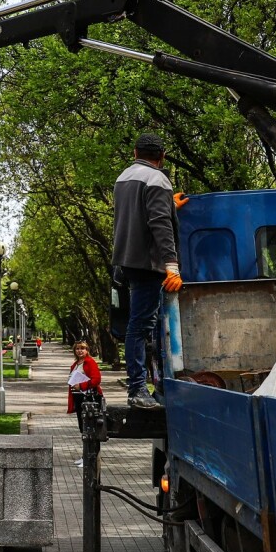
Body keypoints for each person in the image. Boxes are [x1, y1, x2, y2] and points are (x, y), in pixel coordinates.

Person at [111, 131, 184, 410]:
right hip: (147, 263)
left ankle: (148, 384)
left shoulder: (124, 178)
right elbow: (159, 225)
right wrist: (172, 267)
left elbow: (137, 215)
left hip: (127, 260)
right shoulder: (157, 179)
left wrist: (170, 204)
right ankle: (138, 389)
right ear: (162, 156)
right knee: (141, 326)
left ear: (135, 153)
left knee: (143, 325)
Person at [67, 340, 104, 445]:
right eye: (77, 349)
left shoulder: (90, 362)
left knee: (90, 427)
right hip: (78, 398)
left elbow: (96, 380)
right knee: (83, 427)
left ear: (87, 350)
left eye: (82, 348)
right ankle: (85, 456)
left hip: (89, 398)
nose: (80, 351)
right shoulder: (75, 364)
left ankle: (90, 457)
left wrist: (81, 386)